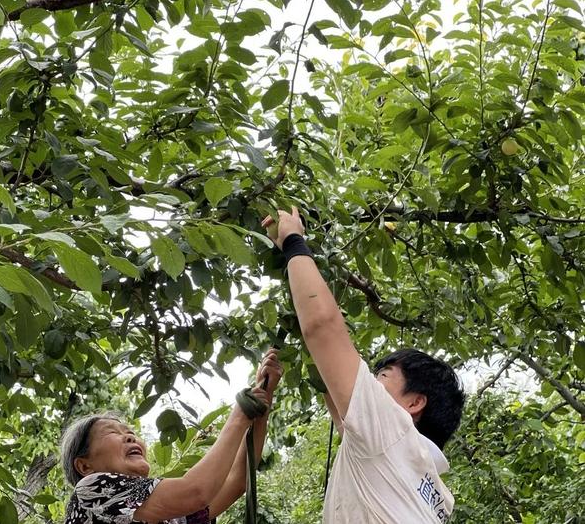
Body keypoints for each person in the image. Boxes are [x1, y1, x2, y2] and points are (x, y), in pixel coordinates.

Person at [262, 208, 465, 524]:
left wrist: (293, 241)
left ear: (414, 403)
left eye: (382, 376)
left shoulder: (391, 431)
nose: (371, 381)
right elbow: (339, 400)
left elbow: (323, 328)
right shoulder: (430, 487)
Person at [60, 349, 282, 524]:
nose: (130, 438)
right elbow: (195, 492)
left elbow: (236, 481)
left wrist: (263, 398)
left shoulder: (168, 514)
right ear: (85, 466)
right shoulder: (91, 491)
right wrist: (239, 416)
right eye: (112, 432)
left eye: (131, 433)